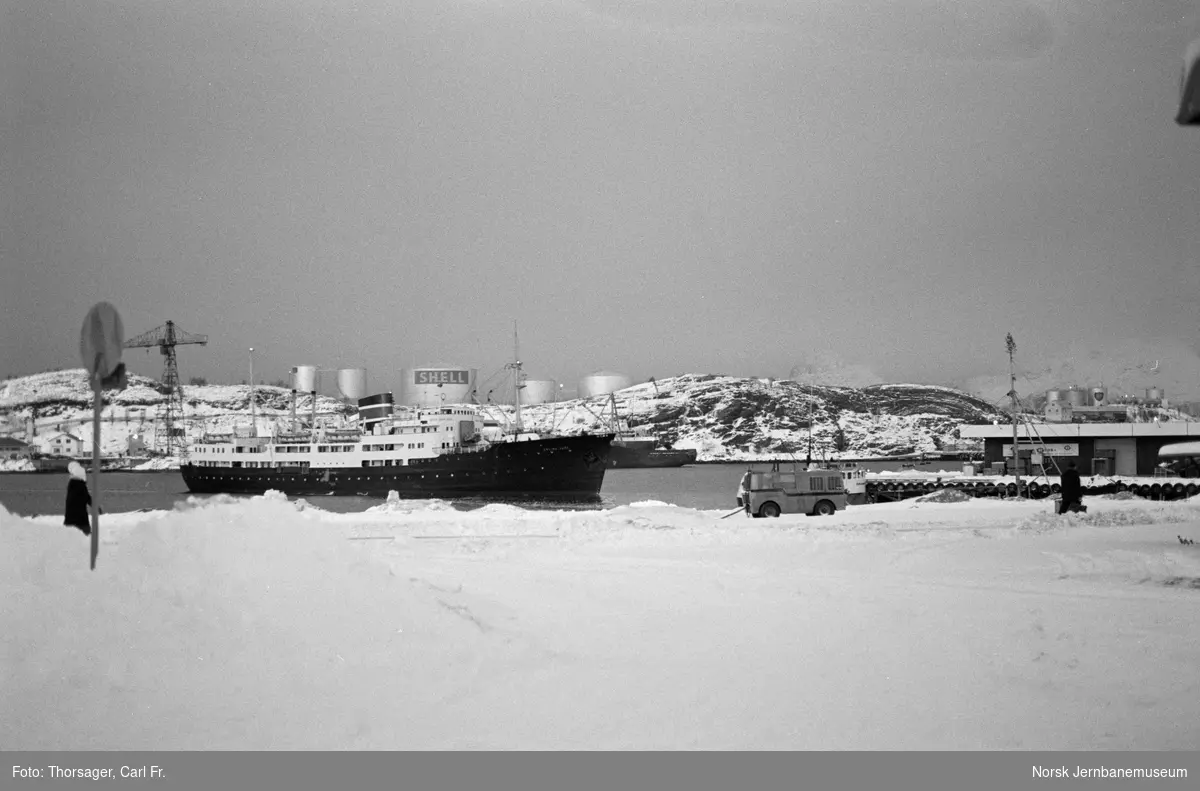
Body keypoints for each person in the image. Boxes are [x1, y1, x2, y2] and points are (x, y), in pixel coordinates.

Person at [63, 461, 92, 536]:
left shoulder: (72, 484)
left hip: (70, 516)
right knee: (85, 534)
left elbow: (86, 497)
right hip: (80, 517)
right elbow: (87, 497)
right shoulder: (80, 485)